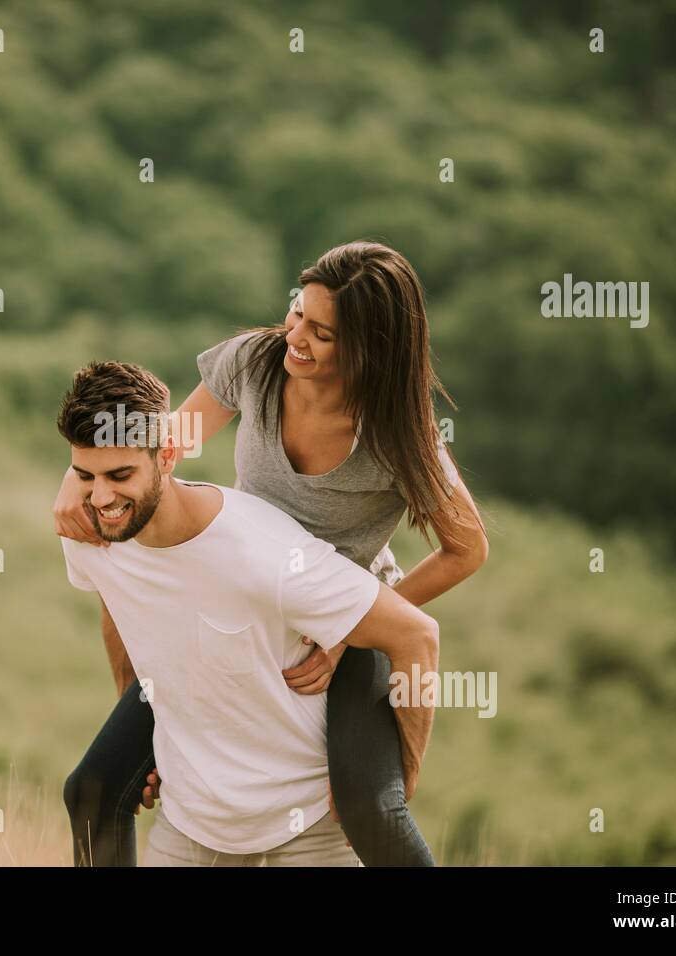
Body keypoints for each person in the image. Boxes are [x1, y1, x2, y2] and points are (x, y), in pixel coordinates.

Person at [57, 240, 489, 866]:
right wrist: (78, 481)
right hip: (234, 589)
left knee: (371, 807)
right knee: (93, 789)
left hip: (342, 613)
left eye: (322, 333)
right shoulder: (257, 362)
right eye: (296, 313)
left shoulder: (398, 428)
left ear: (370, 349)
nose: (295, 337)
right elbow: (163, 447)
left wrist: (349, 630)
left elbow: (466, 549)